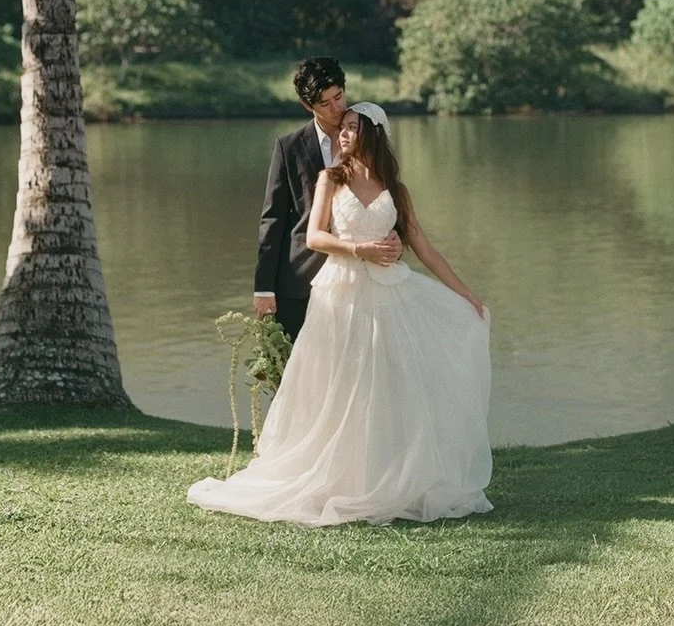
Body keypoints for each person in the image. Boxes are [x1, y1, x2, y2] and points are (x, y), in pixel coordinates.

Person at [188, 101, 492, 525]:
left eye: (351, 127)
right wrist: (360, 249)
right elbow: (314, 237)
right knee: (341, 384)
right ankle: (338, 479)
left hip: (388, 297)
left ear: (373, 133)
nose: (342, 134)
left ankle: (385, 477)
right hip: (340, 293)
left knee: (386, 385)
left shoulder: (396, 189)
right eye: (342, 127)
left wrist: (466, 295)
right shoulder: (330, 178)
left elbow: (423, 247)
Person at [251, 57, 386, 343]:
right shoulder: (288, 147)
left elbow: (387, 200)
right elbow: (272, 220)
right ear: (307, 105)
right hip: (302, 283)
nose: (337, 108)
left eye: (339, 96)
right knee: (298, 370)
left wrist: (393, 239)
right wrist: (264, 288)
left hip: (362, 283)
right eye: (325, 103)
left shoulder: (369, 135)